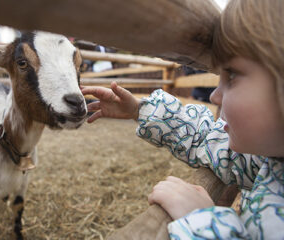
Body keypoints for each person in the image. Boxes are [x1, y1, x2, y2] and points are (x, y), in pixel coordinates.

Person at [81, 0, 284, 238]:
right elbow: (209, 141)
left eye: (232, 76)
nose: (214, 95)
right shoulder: (268, 158)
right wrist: (139, 110)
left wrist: (208, 225)